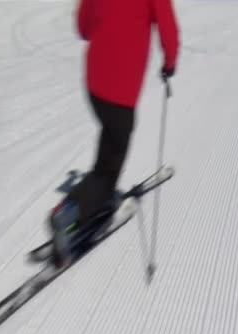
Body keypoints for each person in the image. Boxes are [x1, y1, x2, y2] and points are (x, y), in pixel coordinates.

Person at [49, 0, 180, 267]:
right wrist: (169, 63)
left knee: (109, 138)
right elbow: (168, 28)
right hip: (120, 89)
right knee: (110, 165)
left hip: (95, 81)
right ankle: (69, 215)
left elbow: (84, 28)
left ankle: (94, 194)